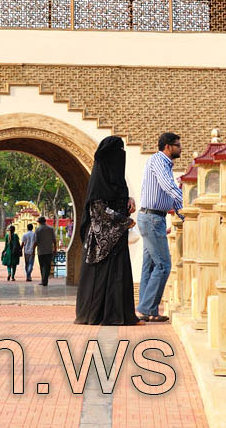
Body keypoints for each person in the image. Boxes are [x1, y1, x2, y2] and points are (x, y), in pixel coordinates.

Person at [75, 135, 139, 325]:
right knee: (102, 277)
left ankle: (122, 315)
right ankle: (97, 316)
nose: (122, 156)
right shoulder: (99, 180)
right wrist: (124, 220)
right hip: (100, 239)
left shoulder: (117, 178)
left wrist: (129, 200)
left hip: (117, 236)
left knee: (120, 276)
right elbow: (98, 210)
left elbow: (120, 195)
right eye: (118, 153)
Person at [136, 131, 183, 322]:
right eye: (178, 145)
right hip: (152, 219)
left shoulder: (160, 162)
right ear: (168, 147)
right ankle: (147, 308)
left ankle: (148, 310)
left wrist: (181, 212)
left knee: (150, 266)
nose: (181, 148)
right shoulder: (159, 162)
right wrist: (186, 202)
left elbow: (167, 195)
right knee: (163, 265)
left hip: (153, 217)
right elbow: (168, 186)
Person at [35, 217, 56, 286]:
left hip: (41, 251)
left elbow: (36, 241)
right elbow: (54, 240)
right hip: (49, 250)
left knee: (42, 266)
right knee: (47, 267)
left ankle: (43, 280)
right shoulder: (50, 229)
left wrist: (32, 250)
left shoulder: (38, 230)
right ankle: (45, 280)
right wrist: (55, 248)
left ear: (39, 222)